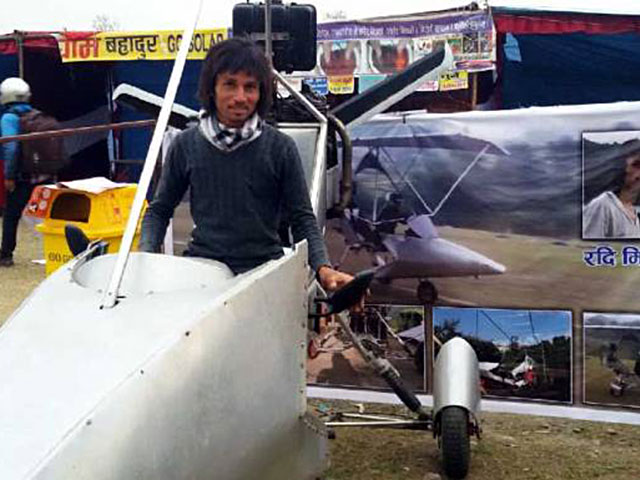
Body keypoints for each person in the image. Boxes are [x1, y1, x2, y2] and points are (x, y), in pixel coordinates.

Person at [139, 38, 352, 292]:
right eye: (230, 84)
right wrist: (146, 259)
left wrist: (323, 268)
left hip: (265, 273)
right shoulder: (186, 144)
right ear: (212, 88)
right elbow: (159, 210)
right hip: (203, 271)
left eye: (250, 87)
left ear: (260, 93)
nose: (240, 97)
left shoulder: (280, 147)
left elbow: (302, 218)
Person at [0, 77, 49, 267]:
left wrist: (9, 175)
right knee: (47, 214)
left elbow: (11, 147)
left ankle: (6, 255)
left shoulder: (9, 118)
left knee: (11, 214)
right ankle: (55, 250)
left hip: (23, 176)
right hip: (44, 173)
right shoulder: (38, 115)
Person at [583, 146, 640, 239]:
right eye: (636, 165)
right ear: (622, 168)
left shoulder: (632, 212)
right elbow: (588, 245)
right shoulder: (603, 205)